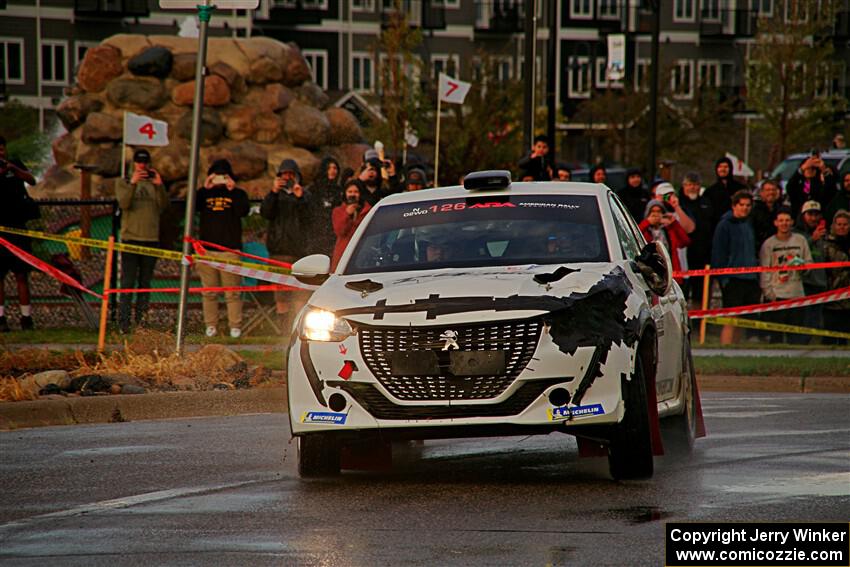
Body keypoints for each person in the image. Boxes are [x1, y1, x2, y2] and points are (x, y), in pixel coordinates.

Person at [114, 148, 169, 334]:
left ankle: (141, 323)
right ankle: (123, 323)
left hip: (150, 239)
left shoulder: (154, 184)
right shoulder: (123, 182)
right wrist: (133, 183)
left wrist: (159, 185)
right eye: (139, 162)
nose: (142, 165)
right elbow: (123, 203)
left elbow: (164, 206)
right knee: (128, 283)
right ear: (133, 163)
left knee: (145, 284)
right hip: (130, 239)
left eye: (145, 162)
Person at [195, 159, 250, 338]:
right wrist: (205, 188)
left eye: (223, 175)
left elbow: (243, 211)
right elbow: (192, 208)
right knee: (209, 291)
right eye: (216, 175)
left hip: (230, 250)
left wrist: (232, 190)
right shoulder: (203, 194)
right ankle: (211, 325)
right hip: (207, 250)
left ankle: (235, 326)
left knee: (232, 292)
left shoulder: (238, 193)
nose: (220, 179)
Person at [261, 159, 314, 330]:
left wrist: (300, 199)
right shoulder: (275, 196)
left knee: (300, 295)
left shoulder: (305, 196)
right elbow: (266, 213)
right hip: (278, 252)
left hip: (300, 254)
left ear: (297, 176)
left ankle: (297, 329)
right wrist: (274, 191)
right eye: (284, 175)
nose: (288, 178)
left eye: (291, 175)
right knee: (281, 296)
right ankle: (283, 329)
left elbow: (310, 219)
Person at [711, 190, 760, 345]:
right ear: (734, 206)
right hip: (732, 279)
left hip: (750, 278)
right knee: (730, 318)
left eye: (748, 205)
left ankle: (736, 348)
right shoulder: (724, 225)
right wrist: (723, 279)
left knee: (743, 319)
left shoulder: (749, 223)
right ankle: (725, 347)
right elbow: (718, 253)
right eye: (741, 205)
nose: (744, 208)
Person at [0, 135, 38, 332]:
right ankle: (1, 318)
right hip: (0, 231)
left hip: (18, 228)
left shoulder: (14, 165)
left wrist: (13, 170)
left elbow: (32, 180)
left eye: (2, 149)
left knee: (21, 274)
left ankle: (26, 317)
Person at [759, 207, 812, 344]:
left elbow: (809, 263)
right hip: (777, 295)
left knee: (796, 337)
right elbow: (764, 270)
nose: (784, 223)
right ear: (775, 223)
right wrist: (769, 294)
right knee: (776, 338)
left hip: (797, 293)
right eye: (781, 220)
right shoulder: (768, 244)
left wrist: (803, 268)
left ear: (792, 222)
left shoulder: (800, 240)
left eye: (787, 220)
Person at [678, 172, 716, 306]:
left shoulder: (706, 203)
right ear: (683, 186)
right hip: (682, 255)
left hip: (703, 254)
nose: (692, 188)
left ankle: (698, 323)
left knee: (700, 293)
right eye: (689, 185)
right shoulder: (678, 203)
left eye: (695, 185)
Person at [794, 200, 829, 334]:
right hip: (804, 283)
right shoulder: (796, 234)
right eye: (810, 214)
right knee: (804, 319)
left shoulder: (823, 234)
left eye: (816, 214)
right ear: (803, 215)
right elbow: (795, 256)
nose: (813, 218)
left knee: (815, 319)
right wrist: (811, 240)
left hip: (820, 282)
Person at [638, 199, 691, 285]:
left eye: (659, 211)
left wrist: (674, 223)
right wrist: (647, 222)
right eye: (653, 212)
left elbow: (685, 241)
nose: (656, 215)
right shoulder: (644, 229)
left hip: (671, 271)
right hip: (650, 272)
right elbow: (635, 236)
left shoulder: (669, 229)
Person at [822, 209, 850, 343]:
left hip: (848, 299)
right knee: (830, 337)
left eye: (845, 224)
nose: (842, 227)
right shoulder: (826, 244)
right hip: (831, 296)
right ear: (833, 225)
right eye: (839, 224)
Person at [331, 180, 371, 270]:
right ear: (345, 194)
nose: (352, 195)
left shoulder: (368, 211)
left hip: (363, 253)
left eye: (356, 192)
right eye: (350, 192)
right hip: (343, 253)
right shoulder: (338, 211)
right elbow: (340, 231)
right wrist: (347, 214)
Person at [306, 157, 342, 257]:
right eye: (329, 168)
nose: (332, 171)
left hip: (333, 236)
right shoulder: (313, 189)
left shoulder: (339, 191)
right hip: (315, 236)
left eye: (335, 168)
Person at [785, 152, 836, 218]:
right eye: (807, 168)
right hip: (799, 218)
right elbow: (790, 187)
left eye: (812, 168)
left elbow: (831, 190)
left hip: (818, 217)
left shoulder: (820, 186)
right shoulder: (798, 186)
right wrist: (802, 169)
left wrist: (823, 170)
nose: (809, 170)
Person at [751, 178, 784, 247]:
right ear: (761, 193)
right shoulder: (754, 210)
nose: (771, 192)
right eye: (768, 190)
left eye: (773, 190)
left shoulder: (782, 209)